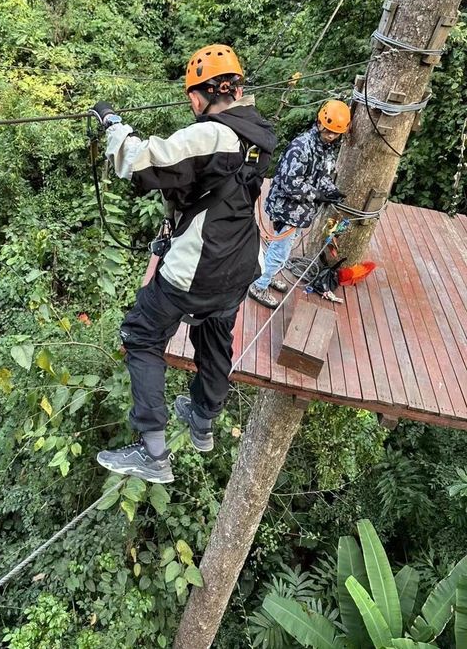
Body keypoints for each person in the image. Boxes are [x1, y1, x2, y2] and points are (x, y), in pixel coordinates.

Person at [88, 45, 277, 483]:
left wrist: (114, 127)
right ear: (238, 88)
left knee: (142, 333)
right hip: (240, 262)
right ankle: (203, 421)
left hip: (198, 265)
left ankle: (152, 451)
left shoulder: (211, 135)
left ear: (200, 95)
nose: (192, 104)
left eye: (192, 96)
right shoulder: (257, 131)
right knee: (213, 333)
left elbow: (143, 162)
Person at [248, 100, 351, 309]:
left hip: (301, 210)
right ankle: (259, 285)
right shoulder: (302, 146)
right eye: (328, 130)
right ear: (320, 123)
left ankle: (268, 274)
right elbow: (289, 183)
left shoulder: (325, 148)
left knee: (280, 250)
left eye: (335, 133)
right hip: (287, 209)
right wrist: (317, 195)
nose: (331, 135)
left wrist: (330, 191)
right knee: (280, 252)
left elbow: (321, 174)